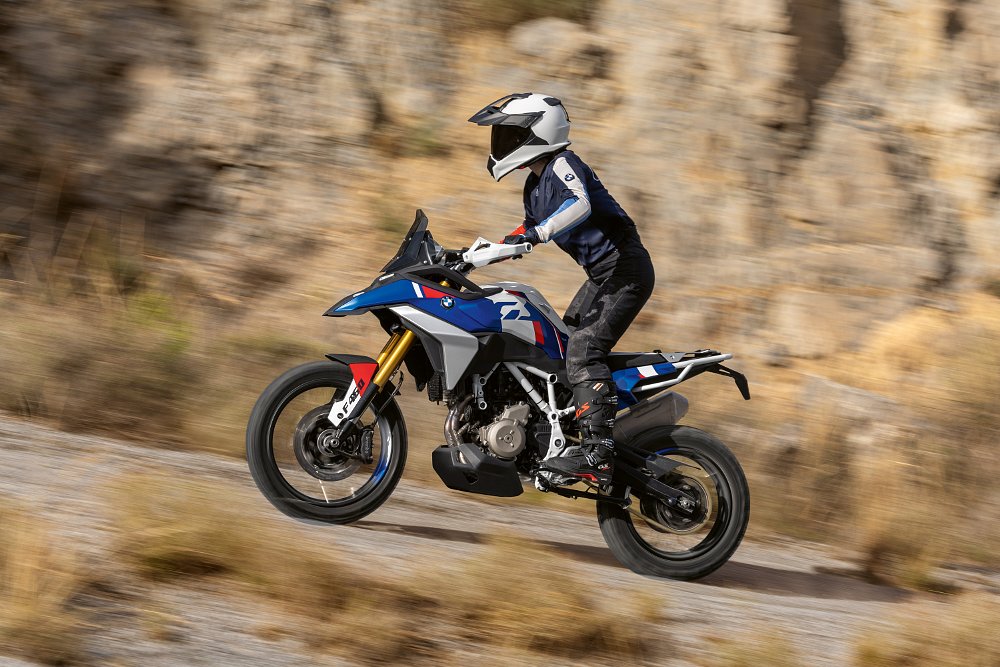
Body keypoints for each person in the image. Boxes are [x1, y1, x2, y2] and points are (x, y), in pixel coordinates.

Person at [468, 92, 655, 483]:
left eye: (509, 134)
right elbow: (523, 232)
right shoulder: (534, 186)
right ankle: (563, 435)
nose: (500, 143)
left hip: (626, 271)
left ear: (537, 131)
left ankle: (598, 453)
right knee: (557, 345)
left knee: (584, 350)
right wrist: (474, 256)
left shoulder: (563, 163)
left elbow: (579, 203)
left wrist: (538, 233)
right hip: (602, 277)